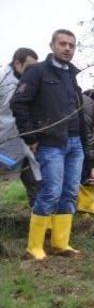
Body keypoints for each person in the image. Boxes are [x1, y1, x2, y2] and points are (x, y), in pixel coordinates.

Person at [11, 29, 94, 260]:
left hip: (74, 143)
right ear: (52, 46)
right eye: (63, 44)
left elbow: (77, 110)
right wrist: (31, 138)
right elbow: (18, 103)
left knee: (69, 193)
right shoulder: (36, 72)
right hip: (50, 143)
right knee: (51, 191)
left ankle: (61, 244)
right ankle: (34, 247)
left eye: (72, 45)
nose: (67, 48)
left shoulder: (71, 75)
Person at [0, 48, 40, 205]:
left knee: (35, 179)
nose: (32, 71)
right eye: (29, 67)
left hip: (22, 139)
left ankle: (40, 218)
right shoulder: (3, 79)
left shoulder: (28, 82)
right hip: (5, 138)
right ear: (18, 63)